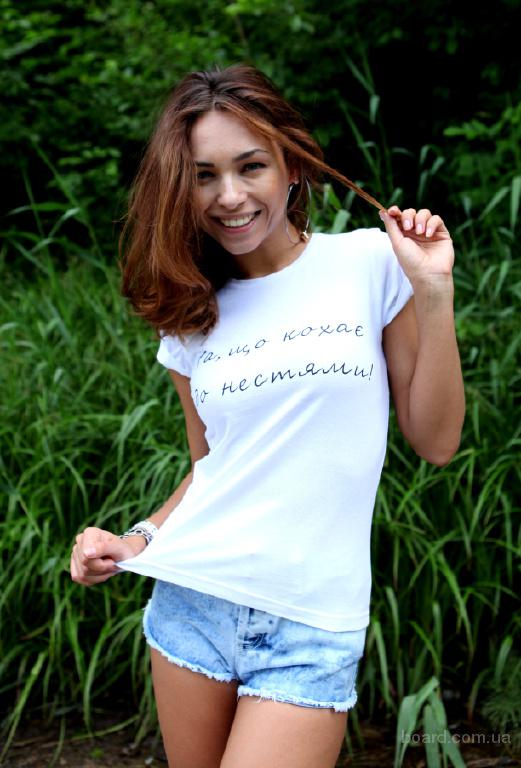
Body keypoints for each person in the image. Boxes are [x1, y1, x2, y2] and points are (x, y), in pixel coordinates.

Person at [70, 64, 465, 768]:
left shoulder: (370, 262)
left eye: (250, 166)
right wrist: (135, 540)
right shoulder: (189, 316)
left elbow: (436, 441)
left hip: (312, 623)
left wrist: (433, 291)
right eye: (203, 176)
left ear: (292, 166)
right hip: (194, 604)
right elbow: (211, 468)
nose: (229, 196)